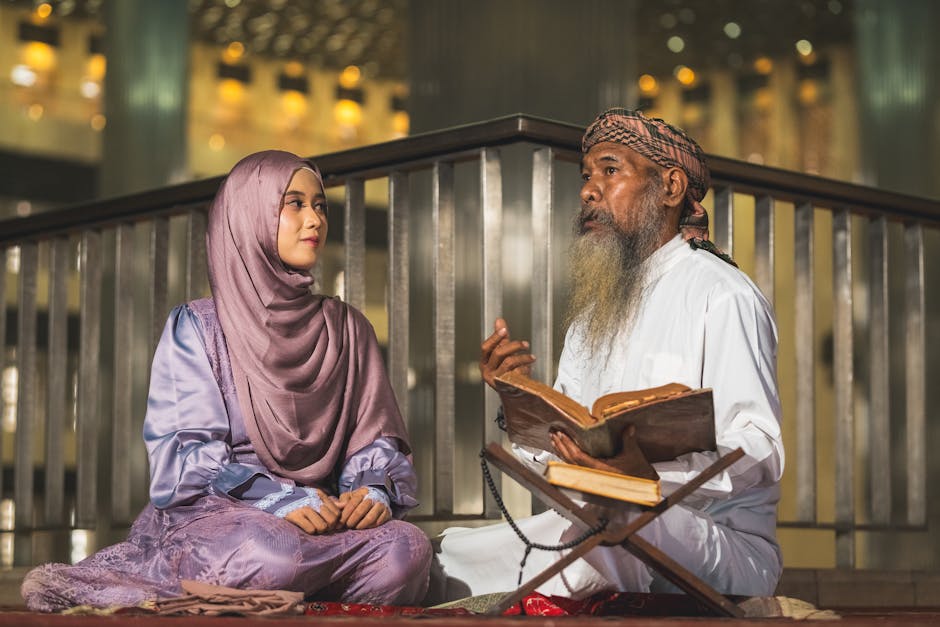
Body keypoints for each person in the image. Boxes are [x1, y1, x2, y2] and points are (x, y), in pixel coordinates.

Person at [22, 151, 432, 611]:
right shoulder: (197, 326)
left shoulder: (349, 328)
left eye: (320, 205)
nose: (314, 218)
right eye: (293, 204)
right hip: (222, 517)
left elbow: (375, 438)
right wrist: (278, 498)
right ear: (248, 216)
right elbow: (186, 456)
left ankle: (289, 602)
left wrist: (370, 492)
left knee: (407, 550)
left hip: (323, 519)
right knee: (269, 553)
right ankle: (293, 594)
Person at [429, 108, 784, 601]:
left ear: (671, 187)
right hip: (599, 518)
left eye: (610, 171)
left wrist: (650, 479)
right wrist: (520, 405)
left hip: (716, 541)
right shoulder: (589, 321)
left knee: (607, 534)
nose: (588, 190)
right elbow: (566, 464)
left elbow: (760, 448)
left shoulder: (723, 294)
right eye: (587, 175)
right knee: (447, 556)